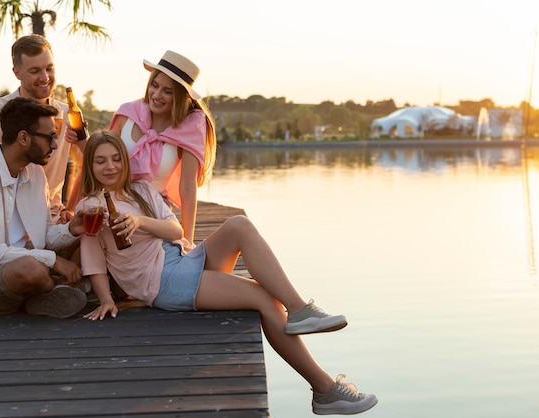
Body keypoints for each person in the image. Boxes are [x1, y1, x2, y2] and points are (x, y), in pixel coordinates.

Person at [77, 130, 378, 415]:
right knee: (263, 298)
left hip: (181, 258)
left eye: (116, 158)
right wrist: (105, 299)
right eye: (100, 160)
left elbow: (175, 229)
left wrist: (139, 221)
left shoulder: (141, 190)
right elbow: (93, 261)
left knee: (238, 225)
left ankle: (299, 310)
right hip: (163, 283)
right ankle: (325, 389)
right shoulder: (92, 208)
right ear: (90, 165)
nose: (110, 166)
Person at [0, 97, 90, 319]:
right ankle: (53, 290)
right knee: (30, 268)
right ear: (23, 137)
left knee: (88, 234)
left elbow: (44, 236)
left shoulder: (35, 173)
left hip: (28, 261)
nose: (55, 145)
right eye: (50, 137)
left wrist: (72, 229)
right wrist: (53, 261)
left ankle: (45, 294)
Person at [0, 34, 86, 224]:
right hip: (7, 218)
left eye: (49, 68)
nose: (45, 77)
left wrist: (71, 207)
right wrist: (21, 147)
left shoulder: (67, 113)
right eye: (35, 70)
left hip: (51, 218)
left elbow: (90, 163)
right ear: (17, 72)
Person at [108, 50, 217, 249]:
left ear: (181, 97)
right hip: (113, 203)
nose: (157, 95)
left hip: (153, 211)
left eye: (167, 91)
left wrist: (189, 241)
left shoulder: (190, 128)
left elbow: (187, 186)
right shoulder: (127, 114)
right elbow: (95, 162)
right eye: (155, 86)